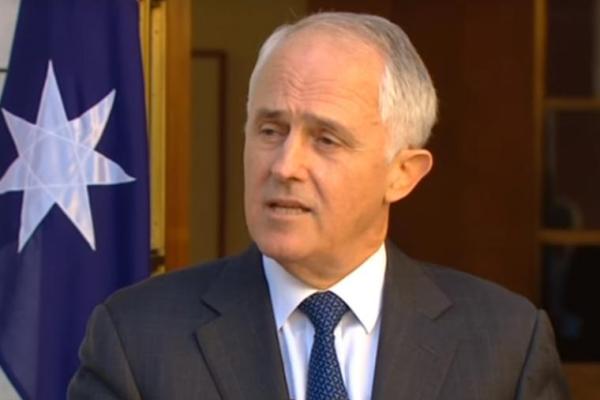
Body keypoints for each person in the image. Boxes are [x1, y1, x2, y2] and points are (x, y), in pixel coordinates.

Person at [69, 12, 569, 400]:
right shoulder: (137, 338)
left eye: (326, 139)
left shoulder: (505, 344)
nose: (285, 166)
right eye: (270, 130)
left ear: (402, 173)